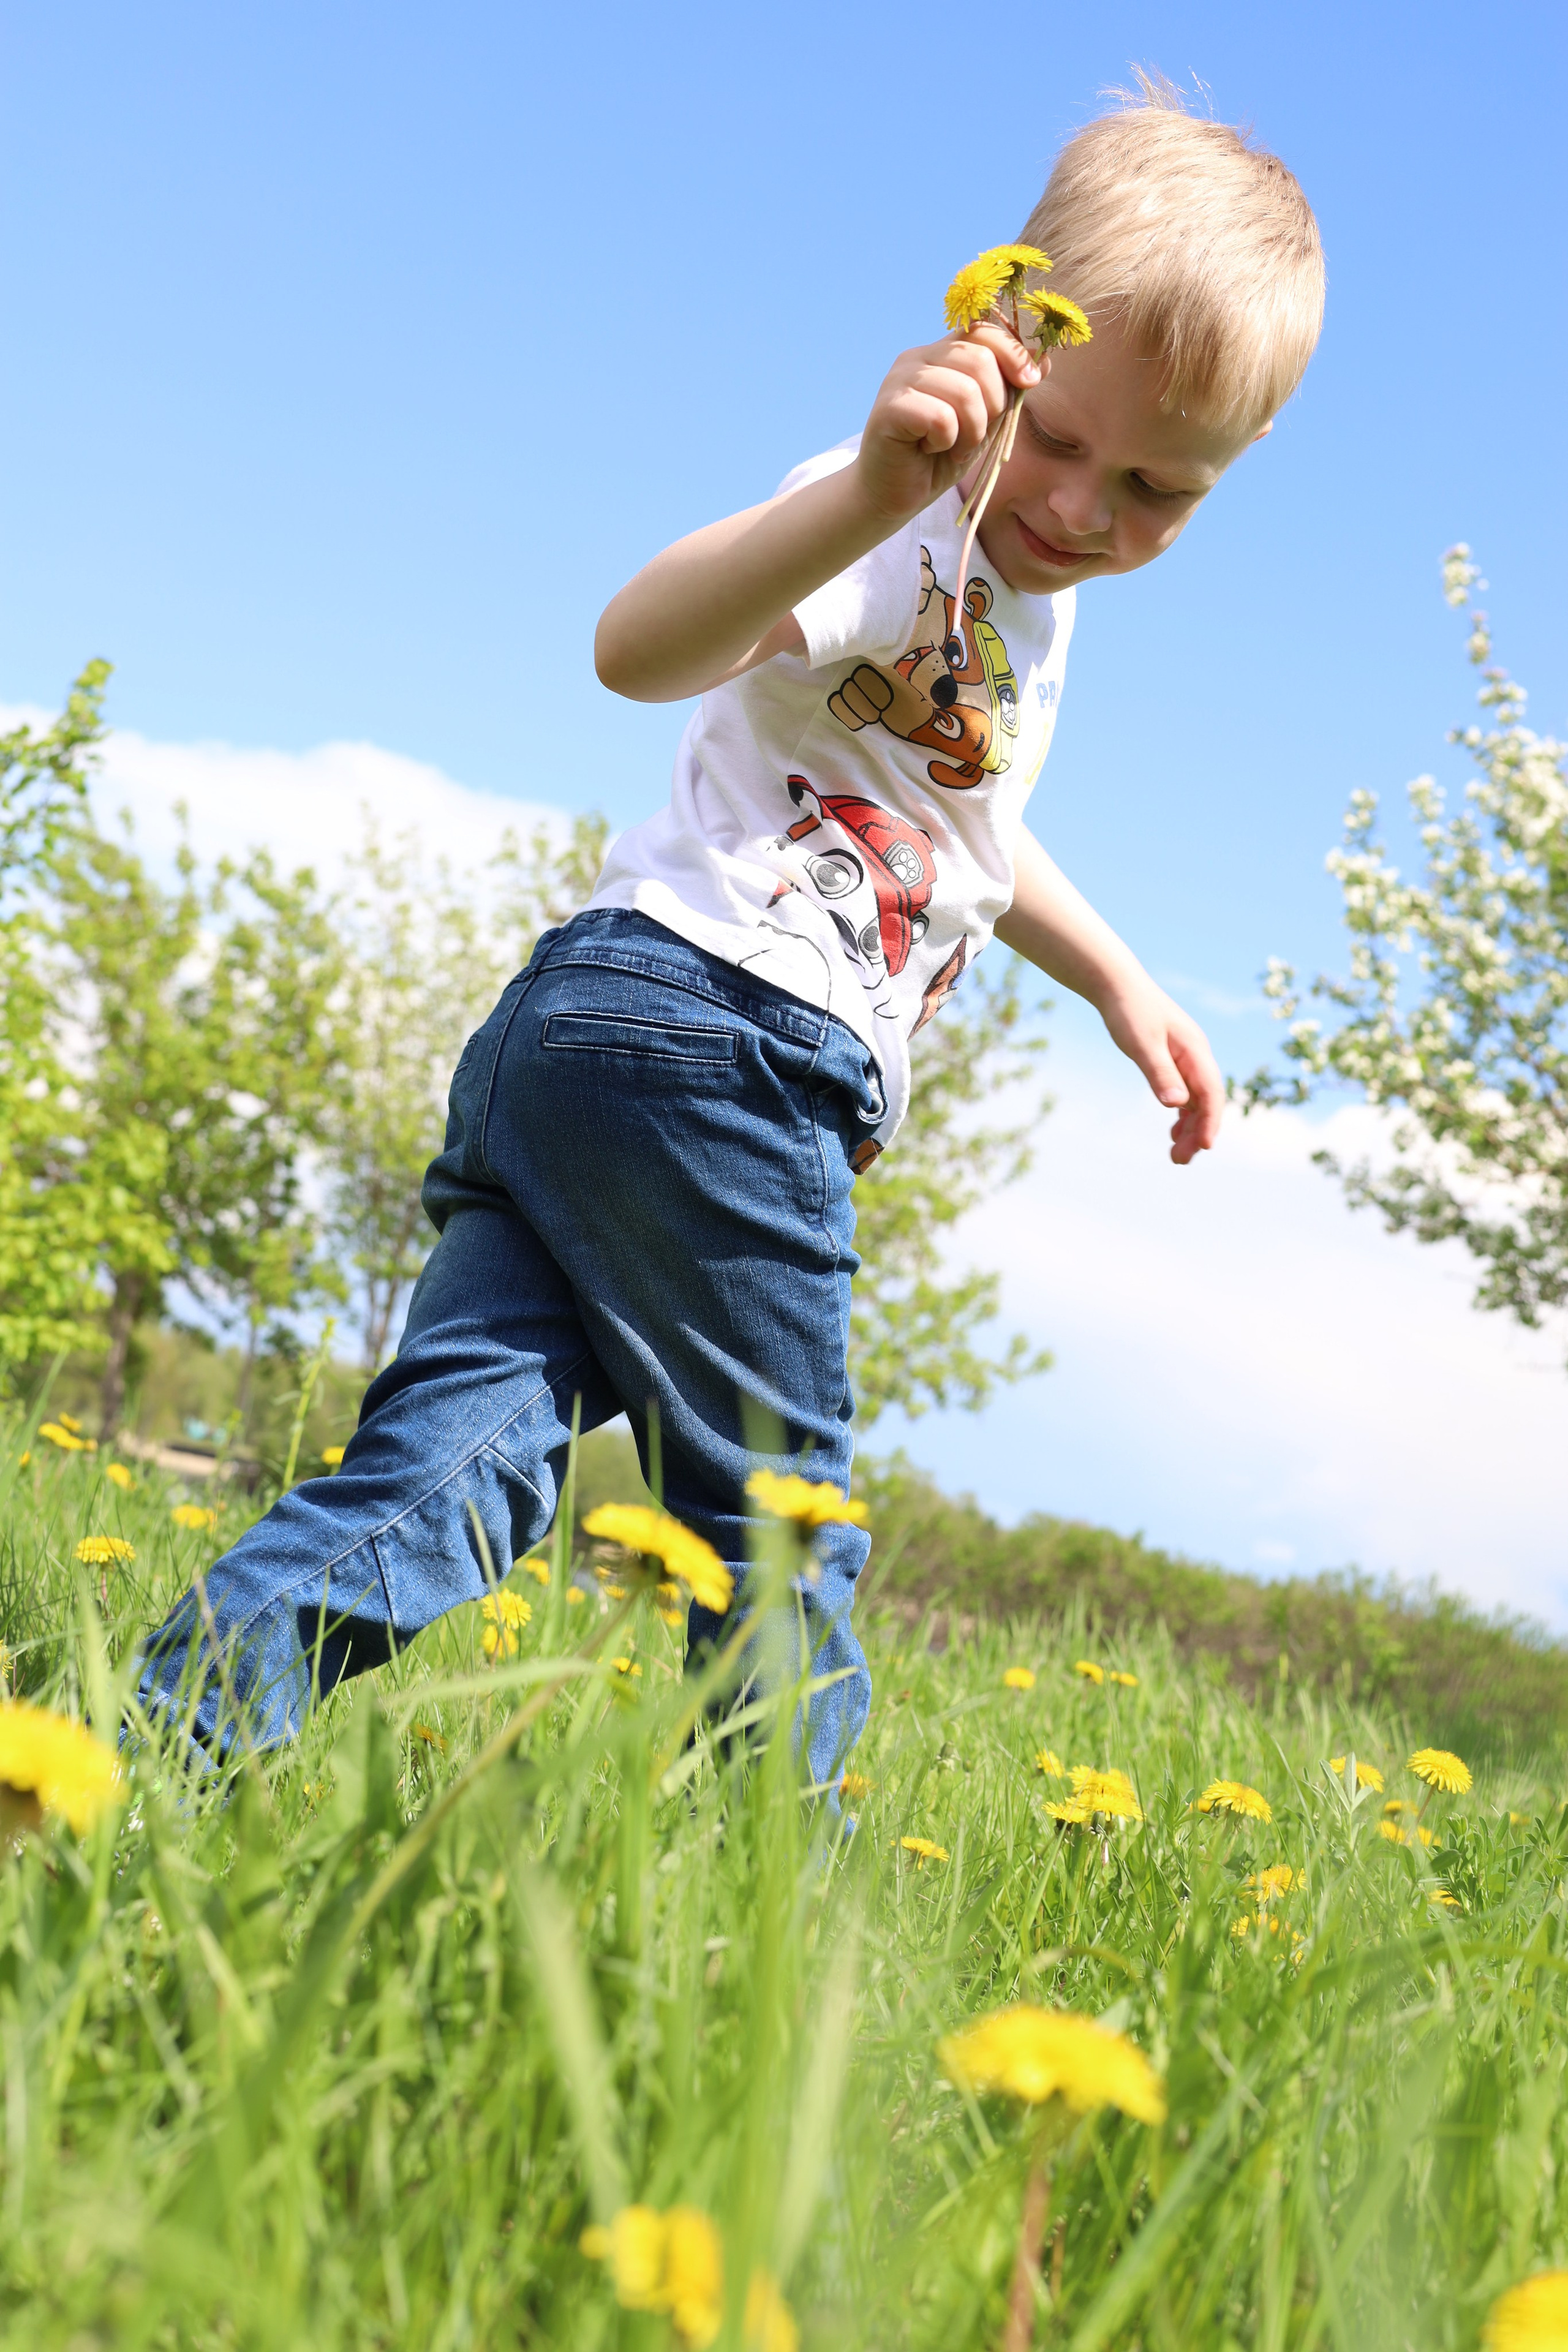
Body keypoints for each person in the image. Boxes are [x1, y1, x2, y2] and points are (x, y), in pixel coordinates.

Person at [134, 81, 1324, 1790]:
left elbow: (971, 834)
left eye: (1157, 487)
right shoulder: (899, 519)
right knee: (780, 1527)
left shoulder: (1015, 600)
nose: (1075, 504)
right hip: (731, 1048)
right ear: (999, 330)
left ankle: (123, 1771)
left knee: (456, 1467)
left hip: (599, 1039)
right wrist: (863, 490)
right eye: (1052, 436)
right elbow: (640, 644)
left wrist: (1123, 979)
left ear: (1233, 471)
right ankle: (773, 1934)